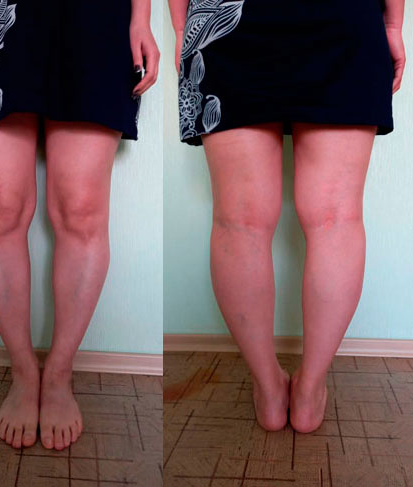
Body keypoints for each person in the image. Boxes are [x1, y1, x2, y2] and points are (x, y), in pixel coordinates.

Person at [0, 0, 159, 450]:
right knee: (0, 209)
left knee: (81, 211)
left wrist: (142, 18)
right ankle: (23, 371)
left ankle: (60, 374)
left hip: (94, 18)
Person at [169, 0, 405, 433]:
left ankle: (268, 388)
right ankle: (310, 390)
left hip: (231, 15)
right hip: (342, 16)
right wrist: (393, 24)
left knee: (239, 221)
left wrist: (183, 26)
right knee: (335, 218)